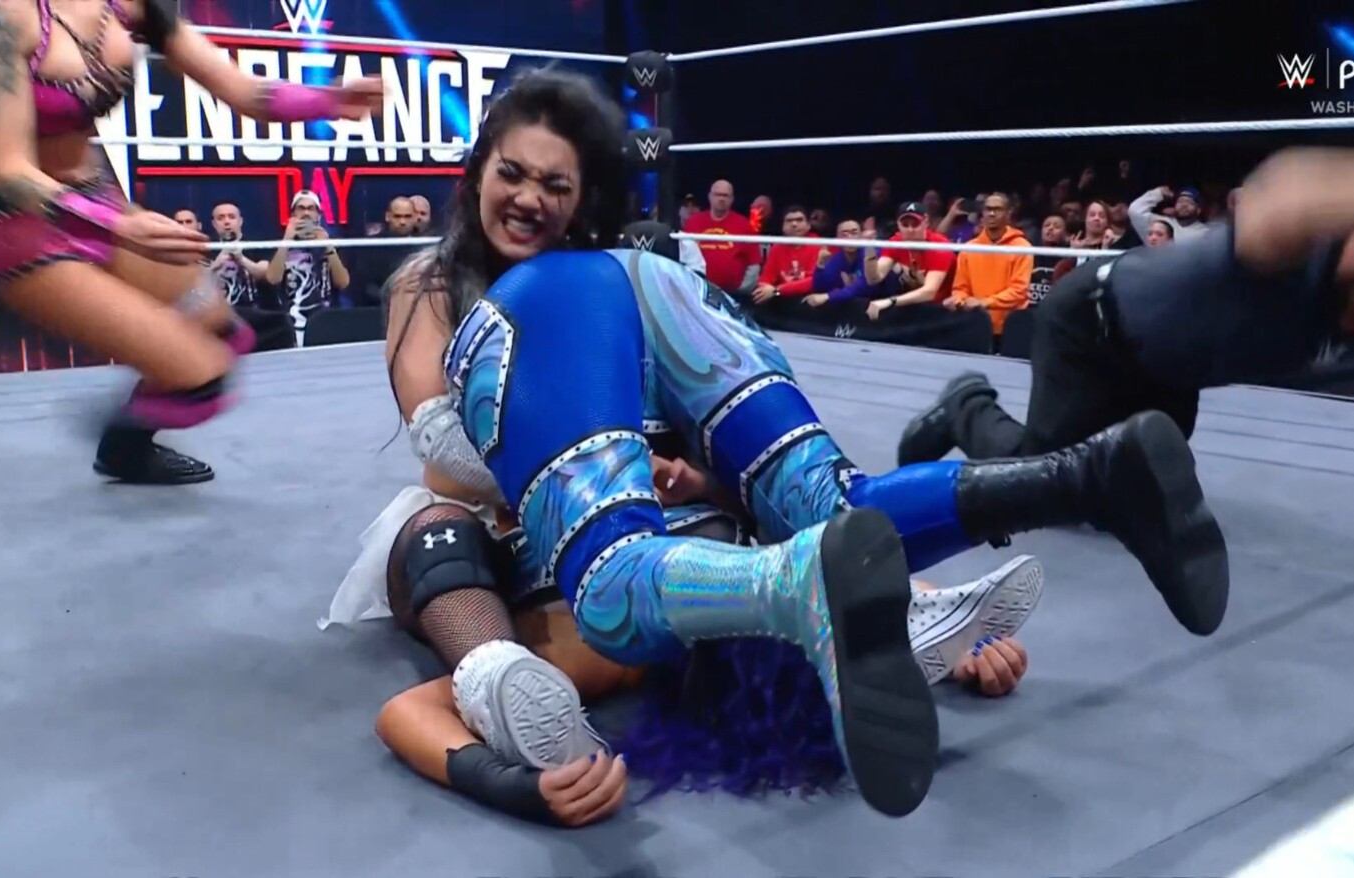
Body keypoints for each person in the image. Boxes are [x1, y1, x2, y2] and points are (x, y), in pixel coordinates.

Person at [334, 69, 1039, 826]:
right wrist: (596, 464)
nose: (531, 198)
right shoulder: (431, 284)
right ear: (478, 172)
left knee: (738, 492)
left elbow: (733, 471)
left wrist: (913, 601)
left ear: (582, 198)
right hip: (496, 509)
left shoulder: (618, 284)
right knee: (443, 535)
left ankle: (877, 599)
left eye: (555, 184)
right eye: (513, 173)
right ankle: (492, 670)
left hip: (618, 525)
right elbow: (442, 447)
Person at [896, 103, 1354, 590]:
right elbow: (1278, 192)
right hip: (1091, 328)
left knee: (1129, 497)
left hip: (1168, 373)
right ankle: (967, 405)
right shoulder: (1300, 247)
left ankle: (1101, 476)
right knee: (1042, 485)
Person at [0, 0, 381, 484]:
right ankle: (123, 435)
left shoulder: (130, 7)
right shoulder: (0, 16)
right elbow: (4, 170)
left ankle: (126, 443)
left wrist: (329, 101)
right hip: (19, 224)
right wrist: (119, 226)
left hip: (96, 200)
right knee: (201, 373)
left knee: (218, 329)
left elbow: (246, 91)